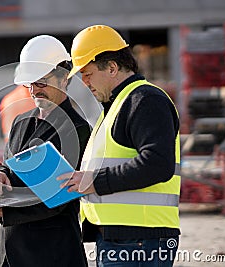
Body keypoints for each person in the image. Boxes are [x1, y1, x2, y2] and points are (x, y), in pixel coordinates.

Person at [58, 25, 181, 266]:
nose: (84, 82)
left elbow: (158, 164)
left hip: (140, 240)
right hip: (123, 239)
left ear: (112, 67)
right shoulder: (117, 106)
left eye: (88, 74)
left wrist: (95, 181)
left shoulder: (145, 100)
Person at [0, 35, 91, 267]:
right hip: (10, 251)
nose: (33, 91)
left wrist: (2, 213)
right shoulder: (21, 121)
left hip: (52, 254)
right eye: (29, 83)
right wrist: (0, 173)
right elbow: (10, 164)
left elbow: (56, 199)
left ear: (64, 79)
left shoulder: (77, 130)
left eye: (41, 82)